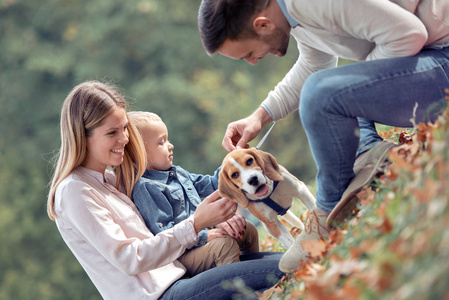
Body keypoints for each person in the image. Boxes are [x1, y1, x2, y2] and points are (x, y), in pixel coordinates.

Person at [198, 0, 449, 272]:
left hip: (441, 57)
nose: (254, 60)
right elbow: (314, 64)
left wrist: (352, 85)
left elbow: (408, 34)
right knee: (332, 87)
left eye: (248, 52)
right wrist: (259, 116)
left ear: (263, 24)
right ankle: (369, 154)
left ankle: (326, 210)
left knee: (324, 92)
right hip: (430, 61)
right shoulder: (292, 15)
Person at [46, 81, 284, 300]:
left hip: (183, 276)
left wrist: (212, 222)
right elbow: (131, 258)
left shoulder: (111, 180)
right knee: (281, 269)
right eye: (112, 133)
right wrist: (196, 224)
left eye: (125, 128)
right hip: (162, 294)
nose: (126, 139)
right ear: (82, 136)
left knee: (290, 261)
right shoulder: (74, 191)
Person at [128, 111, 259, 277]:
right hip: (184, 255)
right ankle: (242, 291)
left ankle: (258, 275)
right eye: (161, 143)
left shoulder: (178, 173)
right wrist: (204, 235)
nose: (170, 145)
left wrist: (234, 159)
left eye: (167, 139)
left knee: (248, 230)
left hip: (208, 235)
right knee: (224, 246)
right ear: (140, 154)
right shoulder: (146, 188)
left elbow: (212, 184)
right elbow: (163, 233)